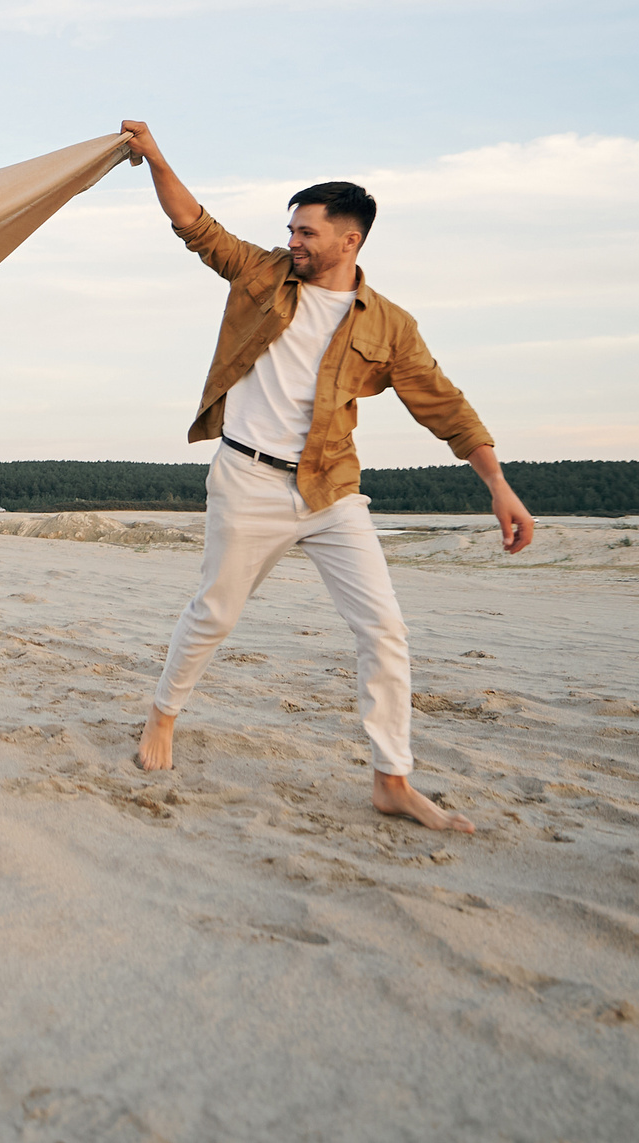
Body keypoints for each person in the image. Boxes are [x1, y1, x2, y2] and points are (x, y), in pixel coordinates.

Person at [119, 120, 534, 834]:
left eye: (307, 232)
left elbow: (444, 405)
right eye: (291, 229)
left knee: (385, 630)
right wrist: (156, 157)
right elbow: (193, 222)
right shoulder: (260, 274)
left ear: (351, 241)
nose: (294, 241)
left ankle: (392, 780)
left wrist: (498, 483)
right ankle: (163, 713)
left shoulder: (390, 325)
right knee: (215, 614)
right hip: (248, 478)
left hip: (332, 488)